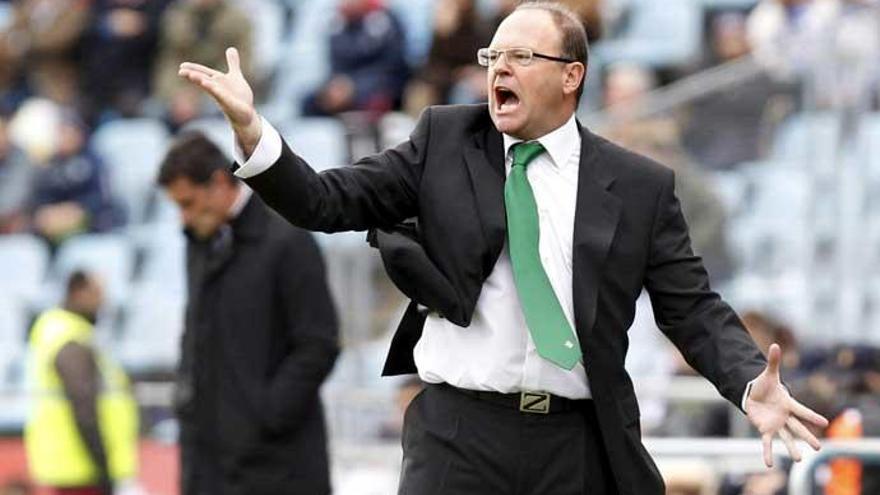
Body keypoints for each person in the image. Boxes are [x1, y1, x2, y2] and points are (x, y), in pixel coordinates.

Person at [178, 2, 829, 493]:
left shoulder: (639, 186)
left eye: (521, 57)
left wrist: (749, 383)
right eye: (492, 58)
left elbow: (692, 307)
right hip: (459, 433)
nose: (499, 71)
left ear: (572, 76)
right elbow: (323, 201)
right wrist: (253, 131)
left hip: (577, 441)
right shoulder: (442, 140)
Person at [155, 132, 340, 495]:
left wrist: (264, 417)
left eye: (189, 203)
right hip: (208, 465)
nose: (184, 218)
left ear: (221, 183)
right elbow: (195, 332)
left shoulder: (287, 240)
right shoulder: (199, 244)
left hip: (278, 467)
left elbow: (318, 343)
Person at [25, 271, 138, 495]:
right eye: (96, 294)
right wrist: (103, 468)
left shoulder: (61, 330)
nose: (102, 302)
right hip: (82, 468)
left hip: (75, 465)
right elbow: (84, 407)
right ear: (78, 293)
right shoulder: (69, 338)